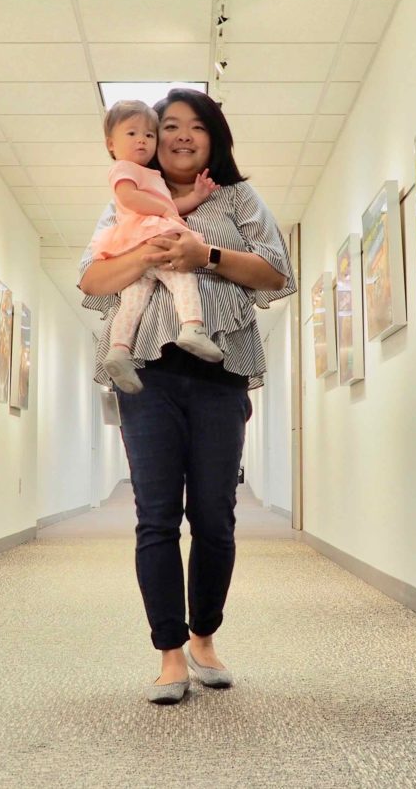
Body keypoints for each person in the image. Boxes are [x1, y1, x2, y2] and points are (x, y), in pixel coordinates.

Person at [78, 89, 295, 704]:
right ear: (145, 136)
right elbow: (93, 279)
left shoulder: (237, 199)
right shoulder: (125, 200)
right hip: (145, 375)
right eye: (167, 125)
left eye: (194, 127)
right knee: (155, 518)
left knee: (216, 518)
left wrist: (207, 255)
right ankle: (169, 654)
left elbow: (276, 273)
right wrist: (148, 250)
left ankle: (204, 637)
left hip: (220, 374)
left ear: (213, 137)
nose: (178, 135)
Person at [91, 100, 224, 394]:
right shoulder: (123, 169)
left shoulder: (151, 177)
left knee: (133, 301)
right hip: (150, 237)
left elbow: (171, 206)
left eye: (149, 135)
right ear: (111, 144)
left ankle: (120, 350)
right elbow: (128, 198)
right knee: (183, 278)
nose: (142, 140)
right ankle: (192, 326)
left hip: (136, 245)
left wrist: (195, 198)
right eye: (132, 134)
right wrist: (164, 213)